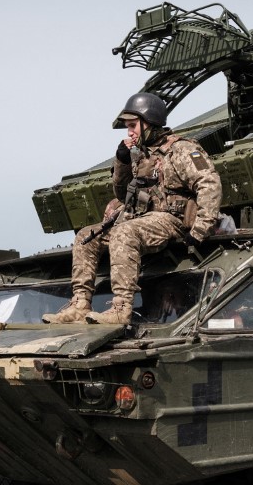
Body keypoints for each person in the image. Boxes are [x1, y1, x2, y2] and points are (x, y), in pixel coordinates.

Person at [43, 92, 222, 325]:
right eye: (127, 127)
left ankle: (121, 307)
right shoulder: (141, 155)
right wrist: (122, 161)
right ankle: (80, 303)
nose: (129, 132)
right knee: (86, 236)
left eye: (132, 126)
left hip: (172, 220)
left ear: (150, 122)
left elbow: (209, 183)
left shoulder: (182, 150)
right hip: (144, 219)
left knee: (124, 233)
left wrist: (200, 230)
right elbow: (121, 194)